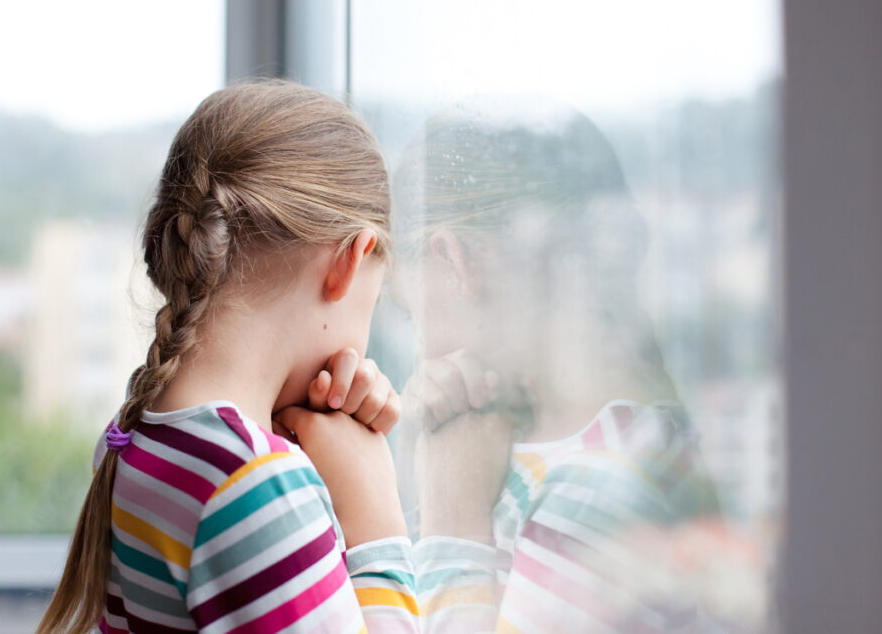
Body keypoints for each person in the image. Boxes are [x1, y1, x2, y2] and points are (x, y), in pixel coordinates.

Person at [37, 81, 419, 634]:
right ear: (347, 261)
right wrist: (375, 520)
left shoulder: (141, 435)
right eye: (374, 302)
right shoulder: (254, 487)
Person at [390, 99, 721, 632]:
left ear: (455, 261)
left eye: (411, 317)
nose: (421, 352)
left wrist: (453, 526)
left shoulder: (587, 496)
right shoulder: (642, 444)